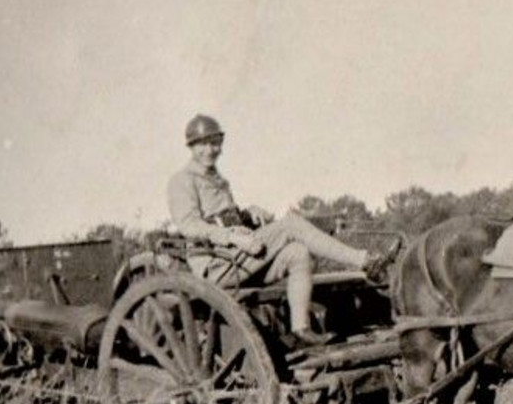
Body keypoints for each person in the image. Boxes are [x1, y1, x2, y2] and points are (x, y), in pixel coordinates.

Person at [167, 114, 397, 347]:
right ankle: (364, 260)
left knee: (298, 252)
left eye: (215, 143)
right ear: (192, 147)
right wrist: (232, 237)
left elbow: (222, 217)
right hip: (216, 265)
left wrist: (246, 214)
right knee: (291, 225)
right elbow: (190, 226)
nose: (210, 150)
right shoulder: (182, 181)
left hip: (237, 260)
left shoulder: (218, 180)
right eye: (203, 144)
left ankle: (301, 329)